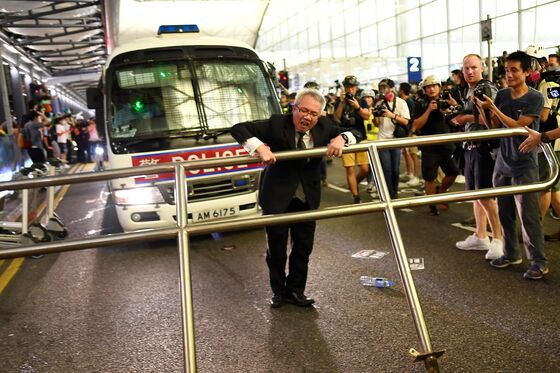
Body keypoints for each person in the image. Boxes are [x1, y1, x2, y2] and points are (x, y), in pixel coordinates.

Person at [231, 88, 362, 308]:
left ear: (320, 115)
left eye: (314, 114)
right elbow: (238, 128)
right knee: (277, 250)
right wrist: (259, 146)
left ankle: (296, 291)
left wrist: (342, 138)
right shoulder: (275, 124)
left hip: (307, 198)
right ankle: (279, 292)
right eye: (303, 111)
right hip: (277, 197)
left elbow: (358, 132)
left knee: (303, 248)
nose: (308, 117)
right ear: (294, 108)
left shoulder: (325, 126)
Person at [476, 50, 548, 280]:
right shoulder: (503, 95)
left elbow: (519, 126)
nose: (509, 74)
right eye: (507, 70)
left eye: (515, 70)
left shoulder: (535, 97)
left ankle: (539, 261)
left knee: (528, 215)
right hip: (503, 161)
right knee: (505, 212)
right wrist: (483, 110)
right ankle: (511, 254)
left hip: (525, 163)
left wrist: (493, 109)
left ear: (527, 72)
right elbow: (495, 127)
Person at [452, 54, 503, 260]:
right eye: (466, 68)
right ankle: (481, 235)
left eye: (473, 67)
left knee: (486, 195)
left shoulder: (487, 88)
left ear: (482, 67)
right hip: (470, 146)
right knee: (475, 193)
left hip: (484, 147)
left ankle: (498, 240)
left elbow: (493, 119)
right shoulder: (469, 90)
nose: (470, 71)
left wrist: (463, 117)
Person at [412, 75, 458, 215]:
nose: (432, 89)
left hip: (446, 144)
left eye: (434, 86)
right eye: (428, 87)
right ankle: (432, 205)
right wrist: (429, 110)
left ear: (439, 87)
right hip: (429, 146)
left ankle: (441, 192)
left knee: (453, 172)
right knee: (430, 177)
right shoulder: (420, 104)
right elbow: (415, 125)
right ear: (425, 90)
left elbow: (456, 119)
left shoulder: (446, 100)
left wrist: (450, 108)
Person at [334, 75, 371, 203]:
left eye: (353, 87)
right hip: (345, 138)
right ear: (344, 88)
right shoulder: (340, 102)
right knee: (350, 168)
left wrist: (357, 107)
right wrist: (342, 103)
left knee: (365, 169)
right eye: (348, 87)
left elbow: (367, 116)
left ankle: (353, 183)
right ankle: (356, 196)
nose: (350, 89)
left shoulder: (361, 101)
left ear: (356, 88)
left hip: (361, 137)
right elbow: (337, 118)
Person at [373, 78, 411, 199]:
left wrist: (392, 115)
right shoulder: (379, 103)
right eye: (381, 88)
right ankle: (389, 193)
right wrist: (374, 114)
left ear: (392, 88)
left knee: (395, 169)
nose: (383, 90)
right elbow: (376, 124)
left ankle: (394, 191)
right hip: (382, 139)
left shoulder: (401, 103)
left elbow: (406, 121)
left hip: (395, 139)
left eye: (385, 87)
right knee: (386, 169)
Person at [398, 82, 420, 187]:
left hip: (411, 132)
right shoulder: (403, 101)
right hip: (406, 132)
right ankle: (409, 172)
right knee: (406, 153)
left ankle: (415, 176)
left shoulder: (409, 102)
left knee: (413, 154)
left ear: (402, 90)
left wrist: (411, 132)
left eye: (399, 88)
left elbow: (412, 119)